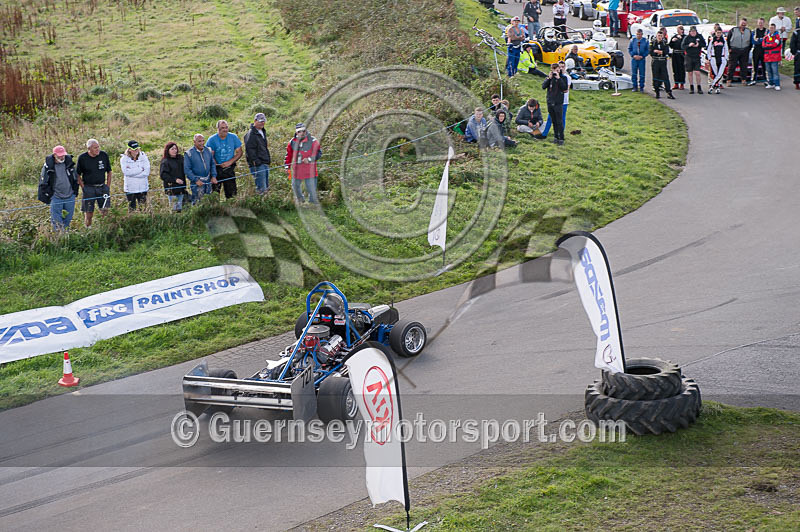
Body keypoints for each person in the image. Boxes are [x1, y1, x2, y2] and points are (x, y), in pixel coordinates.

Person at [38, 145, 79, 231]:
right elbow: (43, 183)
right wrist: (51, 195)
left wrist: (74, 193)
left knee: (68, 220)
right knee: (57, 222)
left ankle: (66, 236)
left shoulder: (69, 163)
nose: (62, 157)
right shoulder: (48, 166)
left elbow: (75, 178)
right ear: (54, 155)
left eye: (63, 155)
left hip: (70, 196)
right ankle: (59, 237)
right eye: (59, 155)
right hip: (56, 197)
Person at [76, 138, 111, 227]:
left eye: (98, 147)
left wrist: (107, 186)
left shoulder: (103, 155)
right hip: (89, 188)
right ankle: (88, 228)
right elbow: (77, 174)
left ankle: (105, 228)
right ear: (89, 149)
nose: (97, 149)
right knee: (89, 212)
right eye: (95, 148)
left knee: (105, 210)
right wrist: (83, 187)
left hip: (102, 187)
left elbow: (109, 171)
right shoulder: (82, 158)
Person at [284, 123, 322, 204]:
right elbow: (288, 155)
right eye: (299, 131)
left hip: (310, 170)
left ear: (306, 131)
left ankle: (313, 204)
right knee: (295, 186)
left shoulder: (313, 141)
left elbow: (319, 153)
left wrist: (309, 159)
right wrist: (287, 167)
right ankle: (301, 200)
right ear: (296, 132)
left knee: (311, 189)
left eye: (303, 131)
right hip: (297, 170)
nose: (302, 133)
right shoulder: (292, 142)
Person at [206, 119, 243, 199]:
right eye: (222, 128)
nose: (225, 130)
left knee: (232, 194)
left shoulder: (233, 137)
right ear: (218, 129)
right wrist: (217, 164)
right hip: (216, 169)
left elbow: (239, 152)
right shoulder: (212, 140)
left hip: (229, 168)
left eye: (226, 127)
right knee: (215, 194)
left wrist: (230, 162)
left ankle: (231, 206)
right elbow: (210, 155)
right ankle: (216, 206)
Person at [243, 112, 271, 194]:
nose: (262, 123)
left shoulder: (262, 131)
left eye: (263, 121)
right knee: (261, 189)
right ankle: (261, 201)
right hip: (257, 165)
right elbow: (249, 151)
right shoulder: (251, 134)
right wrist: (257, 162)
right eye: (260, 121)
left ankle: (265, 200)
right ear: (255, 121)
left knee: (266, 187)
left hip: (264, 163)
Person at [184, 133, 216, 205]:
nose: (202, 143)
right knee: (198, 203)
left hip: (208, 181)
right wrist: (196, 180)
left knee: (208, 201)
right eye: (199, 141)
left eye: (203, 141)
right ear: (194, 142)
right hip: (197, 183)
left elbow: (212, 164)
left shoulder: (208, 150)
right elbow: (187, 170)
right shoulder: (189, 153)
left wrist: (214, 176)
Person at [542, 60, 571, 139]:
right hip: (550, 102)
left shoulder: (564, 78)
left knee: (559, 121)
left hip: (559, 102)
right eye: (554, 69)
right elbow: (543, 86)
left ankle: (561, 137)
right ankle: (555, 136)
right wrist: (549, 78)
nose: (556, 71)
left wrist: (559, 78)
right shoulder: (550, 78)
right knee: (553, 120)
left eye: (558, 69)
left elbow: (565, 88)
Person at [120, 140, 150, 211]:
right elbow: (126, 173)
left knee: (143, 208)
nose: (136, 150)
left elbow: (146, 172)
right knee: (132, 208)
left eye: (137, 148)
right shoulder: (124, 159)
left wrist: (132, 173)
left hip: (142, 187)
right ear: (129, 149)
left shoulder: (144, 157)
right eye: (134, 149)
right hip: (130, 188)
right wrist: (140, 169)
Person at [160, 142, 187, 213]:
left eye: (175, 149)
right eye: (172, 149)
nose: (175, 150)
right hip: (171, 188)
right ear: (167, 150)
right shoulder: (165, 161)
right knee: (174, 208)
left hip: (181, 187)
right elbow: (163, 175)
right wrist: (175, 180)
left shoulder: (180, 158)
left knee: (180, 208)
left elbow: (186, 167)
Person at [726, 18, 752, 86]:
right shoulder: (733, 30)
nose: (743, 25)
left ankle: (743, 80)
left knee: (744, 66)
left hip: (744, 50)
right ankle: (729, 81)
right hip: (734, 50)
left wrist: (748, 49)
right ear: (739, 23)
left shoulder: (748, 31)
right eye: (742, 23)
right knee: (732, 66)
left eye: (744, 24)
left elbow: (751, 41)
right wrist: (729, 48)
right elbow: (728, 39)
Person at [651, 30, 675, 99]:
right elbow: (651, 52)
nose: (659, 37)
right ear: (656, 36)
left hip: (662, 61)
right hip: (655, 61)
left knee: (665, 77)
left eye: (661, 36)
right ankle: (657, 92)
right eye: (658, 36)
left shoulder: (665, 43)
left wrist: (659, 51)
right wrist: (658, 52)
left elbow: (666, 51)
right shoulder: (653, 43)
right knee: (655, 77)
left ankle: (669, 92)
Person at [682, 26, 707, 94]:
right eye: (692, 31)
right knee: (690, 72)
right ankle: (691, 86)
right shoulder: (687, 38)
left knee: (697, 72)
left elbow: (704, 44)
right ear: (690, 32)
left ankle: (699, 87)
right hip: (689, 56)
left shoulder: (699, 36)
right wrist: (689, 45)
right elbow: (683, 46)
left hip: (697, 56)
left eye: (694, 31)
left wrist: (698, 45)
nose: (693, 33)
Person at [706, 27, 729, 94]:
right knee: (715, 73)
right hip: (714, 58)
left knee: (720, 73)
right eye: (717, 33)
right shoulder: (712, 40)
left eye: (720, 33)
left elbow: (726, 50)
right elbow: (709, 50)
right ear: (715, 33)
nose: (719, 34)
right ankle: (716, 86)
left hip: (722, 58)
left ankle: (712, 86)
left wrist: (726, 58)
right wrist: (709, 58)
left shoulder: (724, 40)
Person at [763, 23, 783, 90]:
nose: (771, 29)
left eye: (772, 28)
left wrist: (768, 45)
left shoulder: (777, 37)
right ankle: (771, 84)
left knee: (775, 72)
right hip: (767, 57)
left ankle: (777, 84)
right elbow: (763, 45)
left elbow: (775, 45)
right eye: (770, 28)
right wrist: (771, 45)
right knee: (769, 71)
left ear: (775, 29)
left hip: (774, 57)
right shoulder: (766, 37)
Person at [750, 18, 768, 85]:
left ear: (764, 23)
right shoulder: (754, 31)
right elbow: (753, 41)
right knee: (755, 65)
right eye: (759, 23)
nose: (760, 24)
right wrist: (762, 40)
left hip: (764, 50)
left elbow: (767, 41)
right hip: (756, 50)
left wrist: (759, 40)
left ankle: (765, 80)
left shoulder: (767, 31)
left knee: (765, 66)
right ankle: (753, 80)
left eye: (761, 23)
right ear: (757, 23)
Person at [669, 25, 687, 89]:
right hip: (675, 54)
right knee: (675, 69)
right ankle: (676, 83)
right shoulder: (674, 36)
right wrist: (672, 41)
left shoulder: (685, 37)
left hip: (681, 54)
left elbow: (685, 45)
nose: (678, 31)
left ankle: (682, 83)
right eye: (678, 30)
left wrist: (681, 39)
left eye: (679, 30)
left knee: (681, 69)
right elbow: (670, 45)